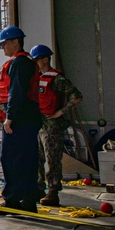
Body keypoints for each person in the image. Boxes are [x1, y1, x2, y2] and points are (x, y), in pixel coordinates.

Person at [0, 26, 42, 214]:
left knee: (11, 159)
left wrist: (9, 118)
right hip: (29, 117)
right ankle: (28, 201)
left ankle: (12, 200)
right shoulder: (26, 62)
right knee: (27, 160)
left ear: (15, 42)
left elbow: (17, 92)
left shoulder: (19, 63)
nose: (3, 48)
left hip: (19, 119)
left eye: (5, 43)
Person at [31, 44, 83, 207]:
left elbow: (76, 97)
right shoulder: (36, 78)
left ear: (45, 59)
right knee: (36, 157)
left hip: (52, 125)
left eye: (37, 59)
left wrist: (60, 112)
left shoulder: (57, 79)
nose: (35, 63)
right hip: (38, 123)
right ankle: (38, 188)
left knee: (52, 158)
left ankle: (53, 191)